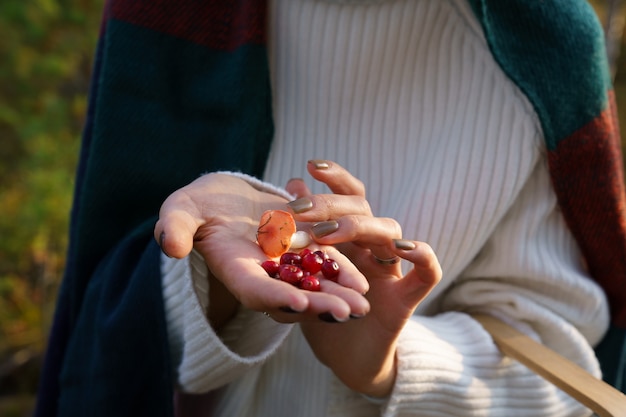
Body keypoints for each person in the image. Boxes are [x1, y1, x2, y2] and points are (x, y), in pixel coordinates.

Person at [35, 1, 626, 416]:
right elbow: (100, 313)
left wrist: (389, 368)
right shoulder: (167, 13)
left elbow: (566, 381)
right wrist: (210, 285)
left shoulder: (542, 49)